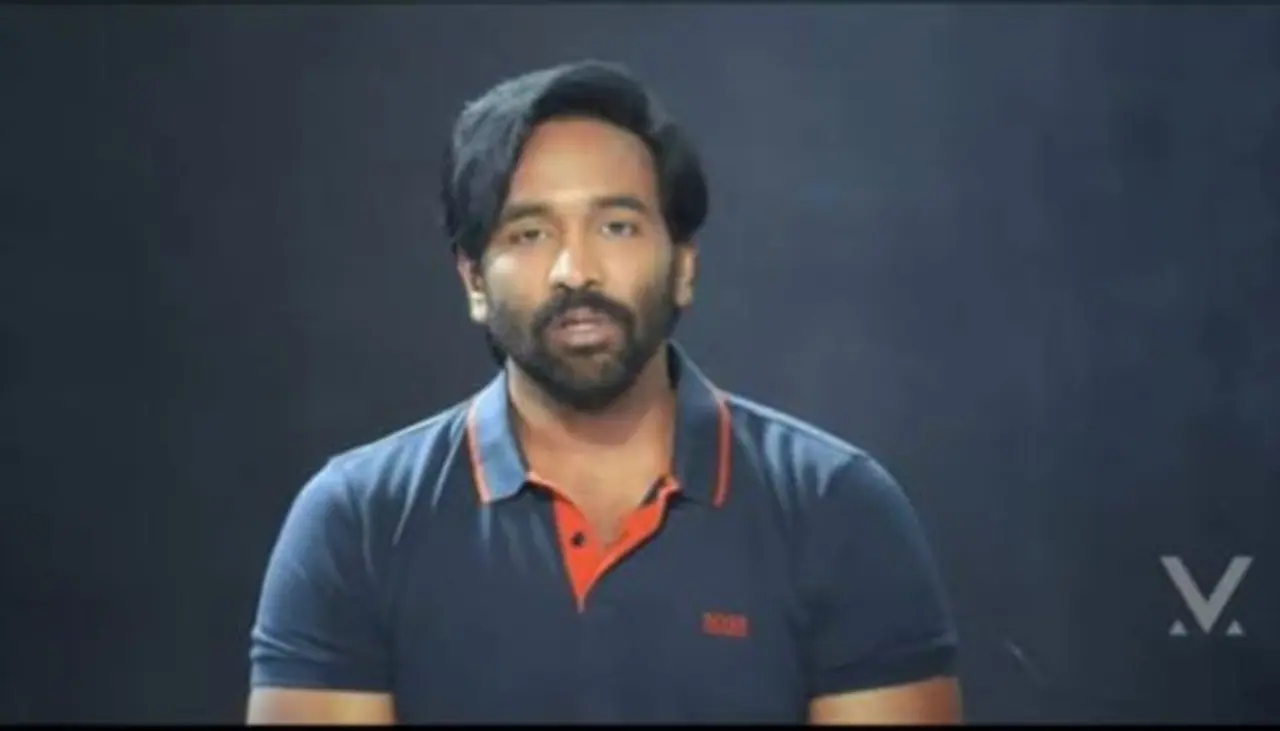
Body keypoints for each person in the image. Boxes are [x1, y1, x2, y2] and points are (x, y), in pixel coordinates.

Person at [246, 59, 962, 724]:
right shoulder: (358, 522)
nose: (574, 269)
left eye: (617, 226)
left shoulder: (837, 508)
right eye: (529, 233)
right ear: (473, 281)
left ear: (684, 265)